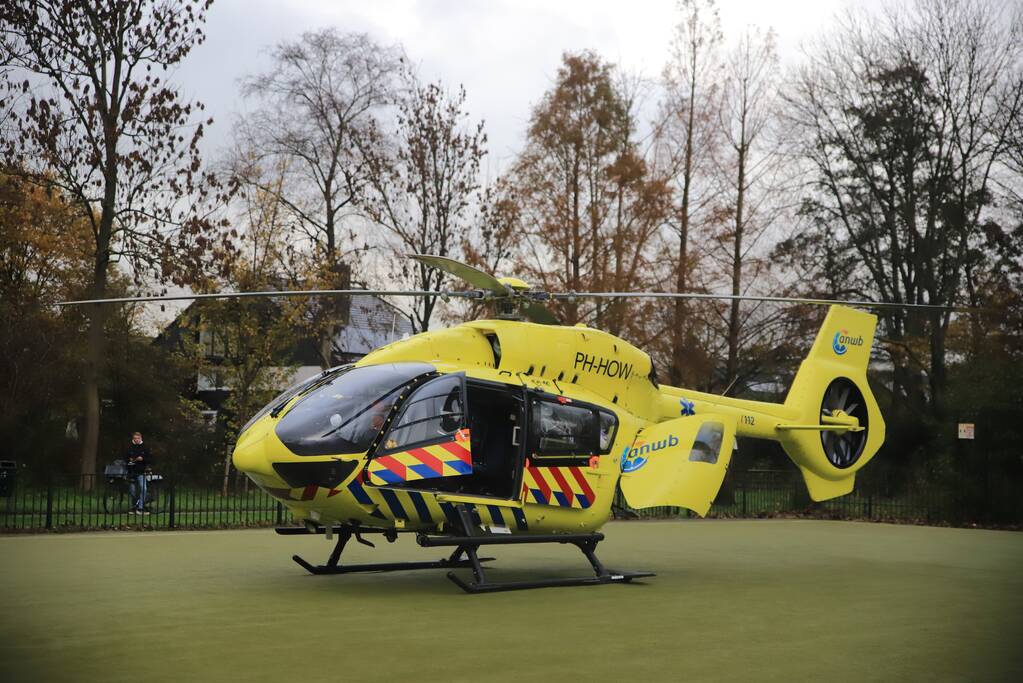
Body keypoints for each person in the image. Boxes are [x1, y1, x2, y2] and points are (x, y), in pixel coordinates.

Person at [125, 432, 151, 514]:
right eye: (135, 438)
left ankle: (140, 508)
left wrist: (142, 459)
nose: (136, 440)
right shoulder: (130, 447)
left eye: (138, 438)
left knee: (144, 488)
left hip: (141, 471)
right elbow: (125, 458)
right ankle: (135, 507)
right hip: (131, 472)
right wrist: (129, 459)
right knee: (132, 491)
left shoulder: (145, 448)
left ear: (140, 438)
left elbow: (150, 459)